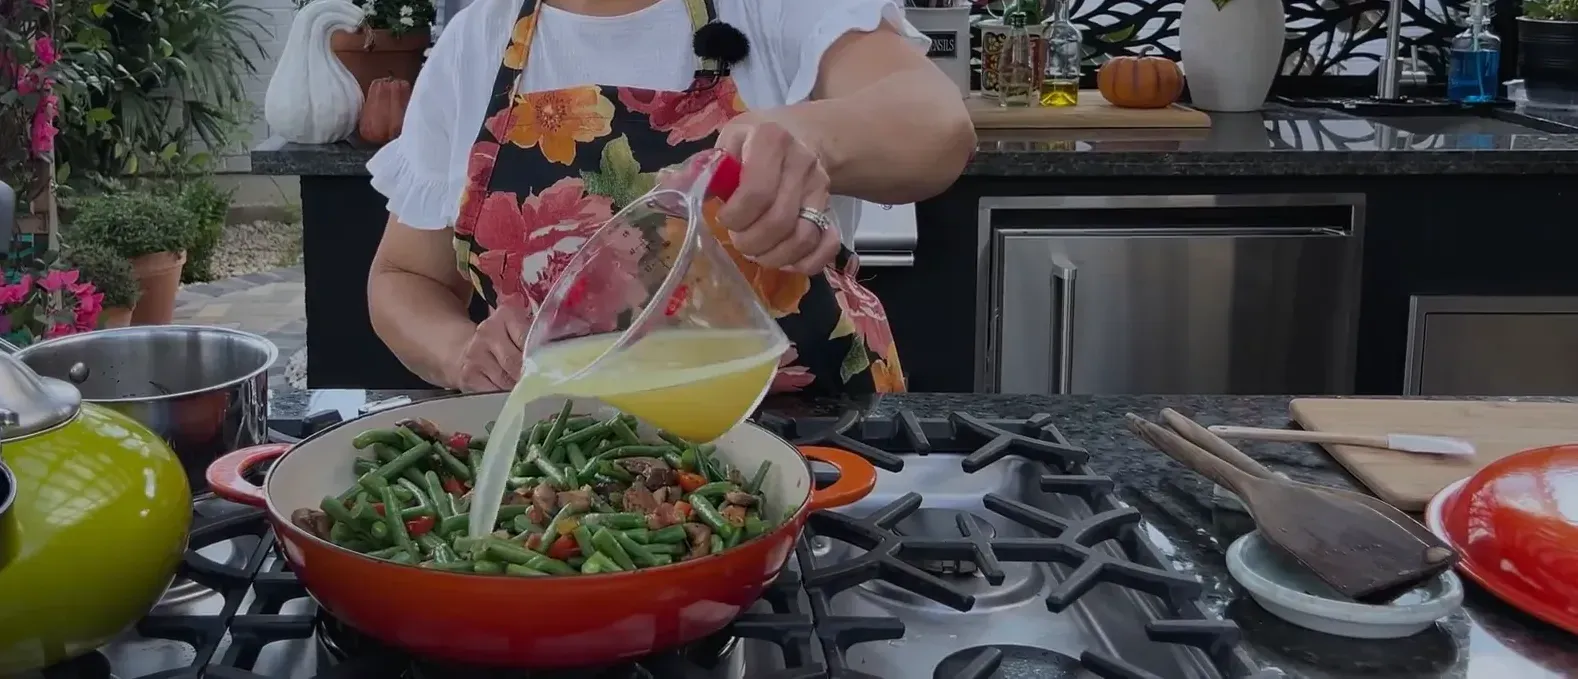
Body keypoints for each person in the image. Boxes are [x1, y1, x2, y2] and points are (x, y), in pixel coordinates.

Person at [365, 0, 974, 396]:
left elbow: (936, 126)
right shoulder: (478, 40)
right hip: (564, 477)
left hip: (811, 453)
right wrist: (460, 352)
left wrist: (809, 136)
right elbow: (403, 275)